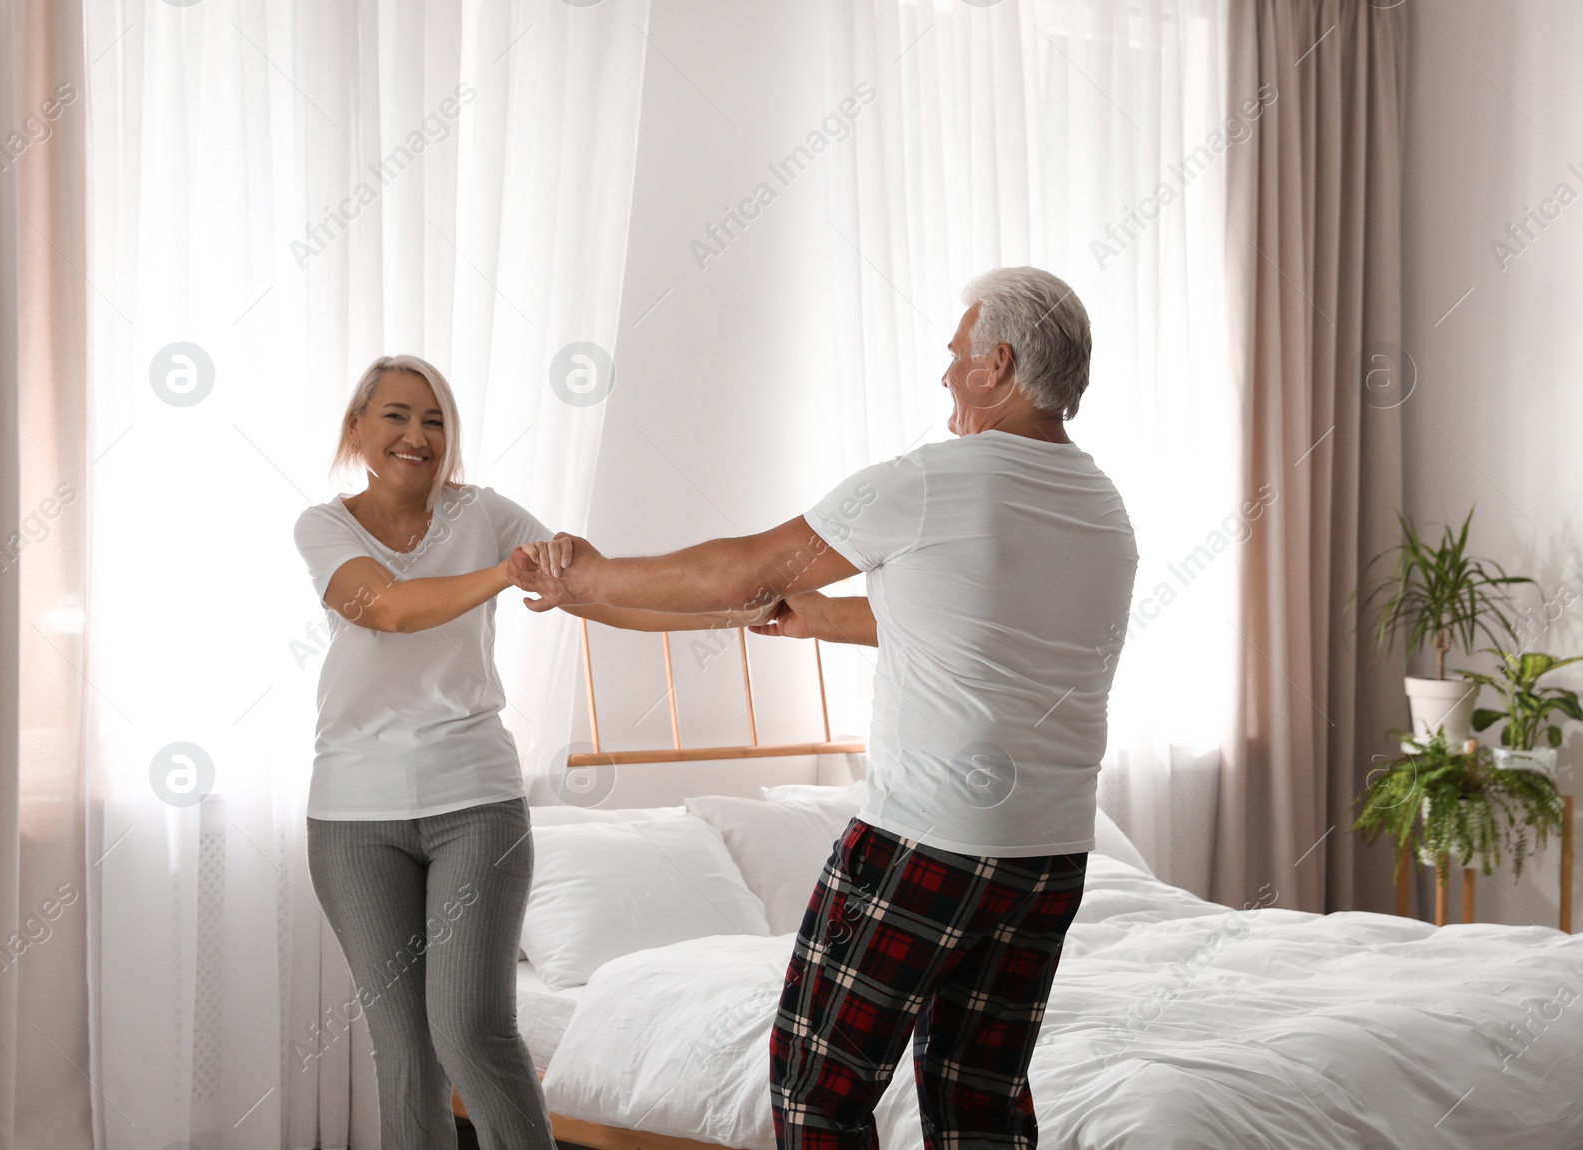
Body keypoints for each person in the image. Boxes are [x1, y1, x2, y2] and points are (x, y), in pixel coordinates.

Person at [506, 267, 1140, 1150]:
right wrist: (819, 622)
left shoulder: (931, 482)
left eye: (957, 356)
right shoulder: (1100, 505)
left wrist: (589, 576)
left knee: (817, 1087)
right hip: (1047, 854)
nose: (947, 375)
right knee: (978, 1102)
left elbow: (746, 571)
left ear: (998, 364)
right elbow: (979, 630)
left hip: (928, 840)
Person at [292, 354, 754, 1150]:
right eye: (398, 415)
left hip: (472, 801)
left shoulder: (487, 512)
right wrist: (502, 574)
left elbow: (596, 591)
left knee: (470, 1029)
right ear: (357, 428)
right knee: (403, 1049)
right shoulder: (323, 526)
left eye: (435, 420)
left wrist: (722, 612)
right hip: (352, 817)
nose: (417, 435)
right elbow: (386, 609)